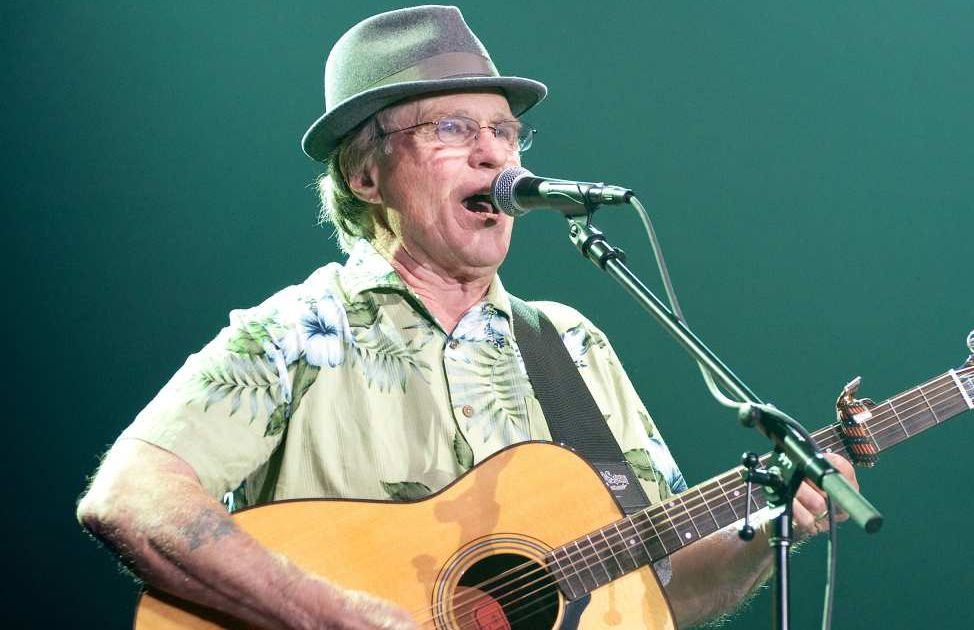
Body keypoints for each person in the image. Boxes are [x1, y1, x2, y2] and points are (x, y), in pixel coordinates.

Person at [76, 6, 858, 628]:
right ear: (365, 173)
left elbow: (658, 592)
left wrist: (766, 534)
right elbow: (129, 497)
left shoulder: (570, 347)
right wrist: (334, 615)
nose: (494, 154)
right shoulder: (298, 332)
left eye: (504, 130)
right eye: (452, 128)